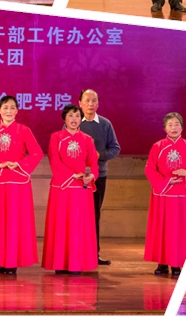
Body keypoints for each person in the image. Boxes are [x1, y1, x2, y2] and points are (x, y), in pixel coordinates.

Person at [0, 95, 44, 275]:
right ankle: (2, 261)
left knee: (15, 222)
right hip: (0, 180)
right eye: (5, 107)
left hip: (18, 182)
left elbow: (37, 153)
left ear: (17, 111)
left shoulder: (24, 130)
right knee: (0, 222)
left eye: (12, 107)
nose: (8, 111)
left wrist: (19, 164)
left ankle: (12, 262)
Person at [143, 112, 186, 277]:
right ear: (165, 128)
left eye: (177, 124)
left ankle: (177, 263)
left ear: (182, 127)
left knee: (179, 230)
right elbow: (149, 169)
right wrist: (166, 181)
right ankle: (162, 263)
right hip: (163, 194)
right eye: (170, 125)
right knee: (162, 229)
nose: (174, 127)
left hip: (181, 195)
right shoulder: (158, 146)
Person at [41, 104, 99, 274]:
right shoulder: (56, 137)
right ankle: (59, 264)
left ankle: (76, 263)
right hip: (62, 188)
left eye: (77, 116)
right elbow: (54, 160)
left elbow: (93, 163)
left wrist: (91, 176)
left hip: (81, 189)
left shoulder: (87, 139)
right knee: (60, 225)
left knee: (78, 227)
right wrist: (72, 175)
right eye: (71, 116)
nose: (74, 119)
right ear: (64, 119)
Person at [78, 89, 120, 266]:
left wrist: (99, 155)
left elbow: (115, 148)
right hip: (76, 178)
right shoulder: (73, 123)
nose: (90, 104)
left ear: (98, 103)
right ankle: (76, 253)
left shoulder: (105, 124)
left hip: (98, 177)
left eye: (94, 100)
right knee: (77, 216)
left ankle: (93, 254)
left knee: (94, 215)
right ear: (80, 103)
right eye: (87, 100)